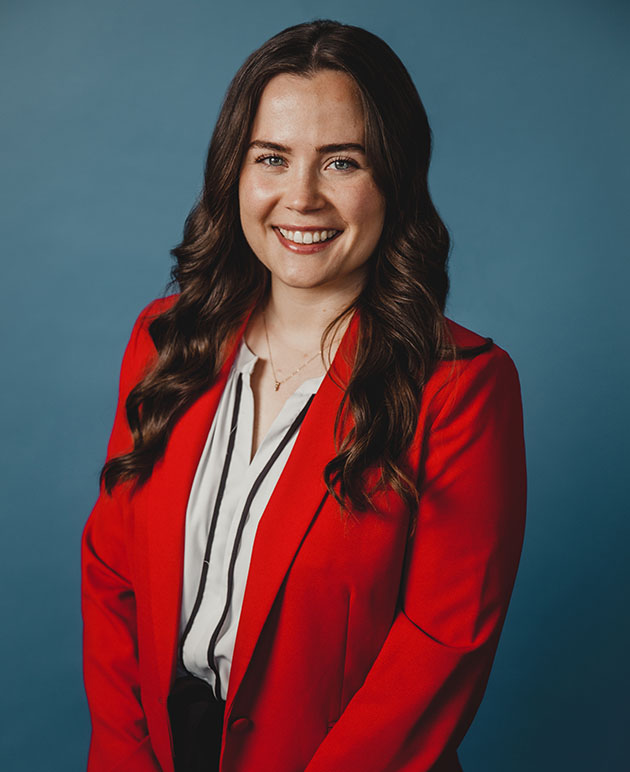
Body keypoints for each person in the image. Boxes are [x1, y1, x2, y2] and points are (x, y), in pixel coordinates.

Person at [81, 18, 526, 772]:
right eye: (273, 158)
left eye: (342, 161)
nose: (301, 196)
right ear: (236, 172)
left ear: (394, 175)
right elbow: (112, 573)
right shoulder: (165, 343)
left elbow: (442, 647)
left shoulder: (462, 388)